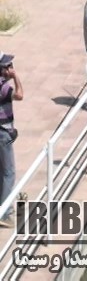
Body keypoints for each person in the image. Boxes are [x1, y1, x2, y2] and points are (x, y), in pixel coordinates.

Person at [0, 52, 23, 228]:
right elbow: (20, 95)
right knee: (9, 173)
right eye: (8, 66)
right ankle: (4, 212)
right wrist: (16, 78)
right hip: (3, 133)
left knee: (2, 172)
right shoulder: (3, 88)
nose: (11, 68)